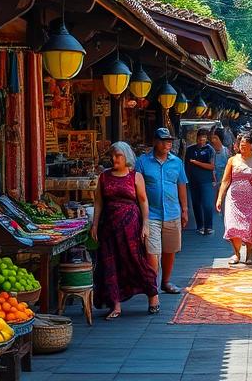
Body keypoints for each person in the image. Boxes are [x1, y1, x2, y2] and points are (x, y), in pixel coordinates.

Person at [91, 142, 160, 318]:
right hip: (109, 227)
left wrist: (146, 224)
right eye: (113, 155)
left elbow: (143, 201)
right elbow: (98, 202)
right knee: (110, 264)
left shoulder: (135, 176)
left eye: (118, 156)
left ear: (127, 157)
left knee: (135, 260)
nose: (114, 159)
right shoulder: (104, 177)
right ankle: (116, 305)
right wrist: (95, 224)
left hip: (131, 226)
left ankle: (153, 295)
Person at [135, 128, 189, 295]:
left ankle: (165, 282)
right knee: (153, 252)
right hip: (150, 214)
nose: (168, 143)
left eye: (169, 140)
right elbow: (136, 186)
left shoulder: (177, 162)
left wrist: (185, 209)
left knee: (169, 250)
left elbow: (181, 185)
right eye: (164, 140)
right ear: (155, 142)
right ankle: (153, 287)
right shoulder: (142, 162)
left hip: (172, 212)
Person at [216, 131, 252, 265]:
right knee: (233, 226)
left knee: (251, 226)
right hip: (234, 199)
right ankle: (236, 253)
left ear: (251, 146)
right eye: (241, 145)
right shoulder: (232, 160)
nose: (242, 148)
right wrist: (220, 198)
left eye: (245, 146)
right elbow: (225, 180)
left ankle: (249, 254)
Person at [185, 128, 216, 235]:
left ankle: (209, 226)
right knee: (196, 203)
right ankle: (200, 226)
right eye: (199, 138)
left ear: (206, 138)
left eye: (203, 138)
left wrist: (196, 162)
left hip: (206, 180)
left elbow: (211, 166)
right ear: (197, 138)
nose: (201, 140)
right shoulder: (190, 149)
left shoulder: (209, 150)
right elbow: (186, 165)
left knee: (207, 204)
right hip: (192, 181)